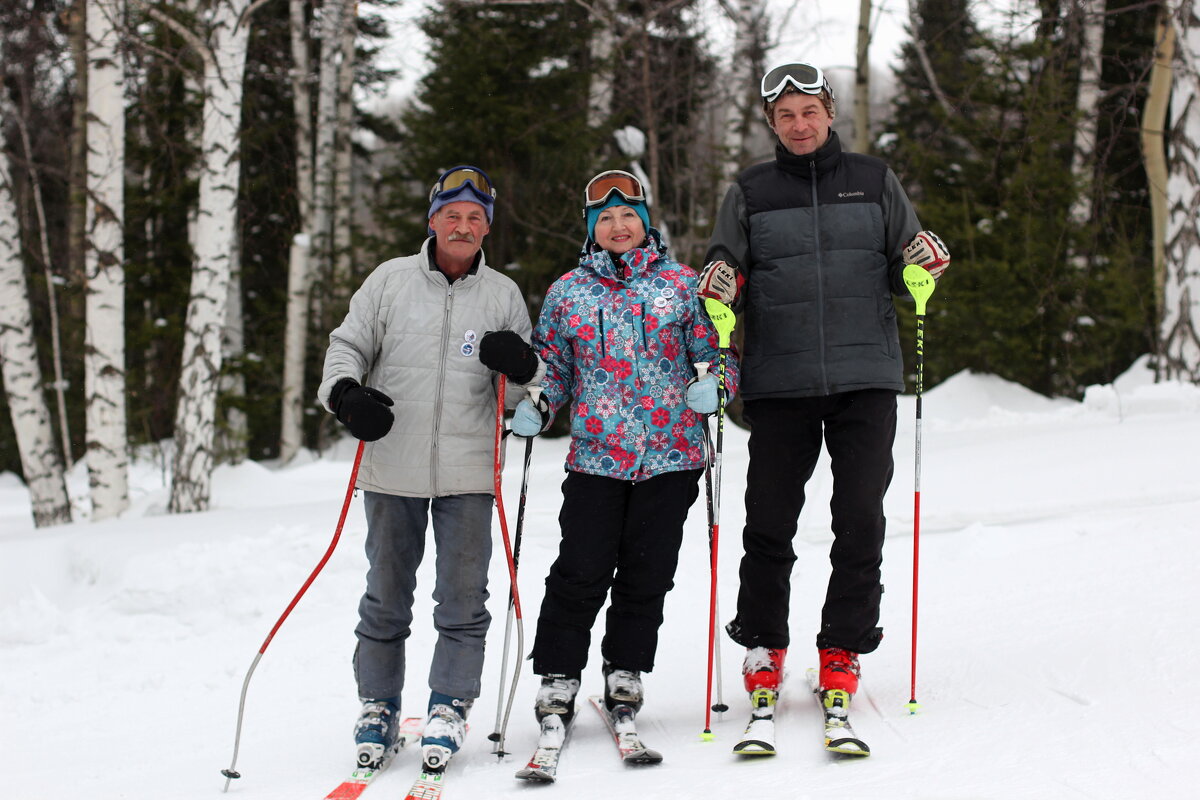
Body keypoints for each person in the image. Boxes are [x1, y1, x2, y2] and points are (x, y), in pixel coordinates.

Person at [699, 63, 951, 731]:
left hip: (865, 379)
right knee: (769, 522)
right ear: (772, 124)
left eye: (809, 111)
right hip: (779, 383)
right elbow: (726, 267)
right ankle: (762, 642)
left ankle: (843, 644)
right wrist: (721, 284)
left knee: (860, 516)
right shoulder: (750, 190)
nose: (799, 124)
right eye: (786, 115)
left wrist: (922, 265)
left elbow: (906, 268)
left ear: (830, 113)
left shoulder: (873, 180)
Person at [317, 165, 543, 771]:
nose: (463, 226)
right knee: (386, 597)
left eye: (475, 217)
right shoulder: (389, 282)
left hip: (470, 475)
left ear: (487, 227)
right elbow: (347, 347)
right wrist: (345, 395)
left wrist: (522, 368)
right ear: (433, 219)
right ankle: (379, 705)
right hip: (393, 468)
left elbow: (530, 400)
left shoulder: (502, 295)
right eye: (453, 214)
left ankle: (448, 705)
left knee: (463, 600)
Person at [511, 169, 740, 732]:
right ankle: (559, 675)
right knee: (580, 569)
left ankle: (625, 670)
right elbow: (555, 365)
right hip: (596, 456)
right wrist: (541, 402)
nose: (618, 225)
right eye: (605, 217)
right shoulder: (568, 291)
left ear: (646, 221)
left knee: (648, 572)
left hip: (672, 457)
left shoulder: (684, 285)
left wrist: (718, 388)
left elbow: (719, 353)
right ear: (591, 227)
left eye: (628, 215)